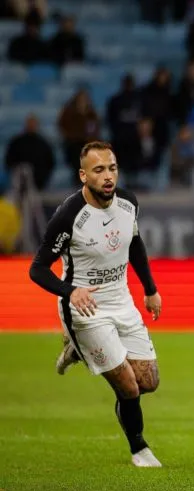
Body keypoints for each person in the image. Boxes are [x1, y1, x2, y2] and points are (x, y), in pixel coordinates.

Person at [28, 141, 163, 467]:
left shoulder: (129, 203)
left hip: (122, 300)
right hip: (85, 310)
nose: (107, 176)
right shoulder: (69, 215)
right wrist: (70, 291)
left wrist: (150, 289)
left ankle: (77, 350)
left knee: (148, 382)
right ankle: (139, 448)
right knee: (128, 386)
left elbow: (134, 244)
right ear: (83, 175)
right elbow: (38, 269)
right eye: (99, 169)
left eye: (112, 168)